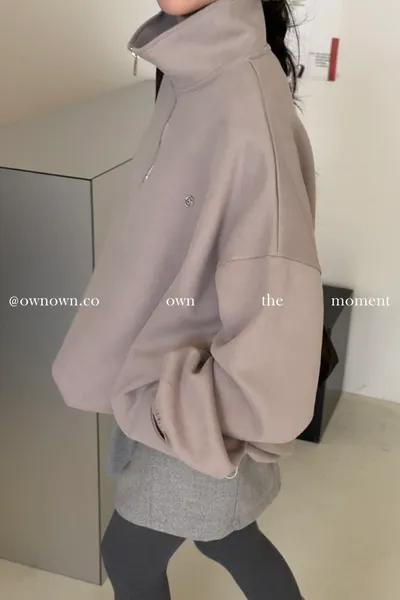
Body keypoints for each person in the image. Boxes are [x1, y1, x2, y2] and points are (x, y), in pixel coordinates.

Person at [52, 0, 323, 598]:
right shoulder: (190, 73)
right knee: (228, 538)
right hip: (166, 372)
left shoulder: (242, 101)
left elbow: (277, 297)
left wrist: (193, 411)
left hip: (196, 398)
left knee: (126, 556)